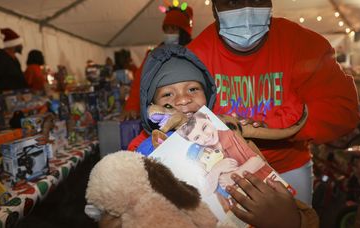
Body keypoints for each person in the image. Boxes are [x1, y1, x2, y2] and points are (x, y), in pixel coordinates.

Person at [186, 0, 360, 205]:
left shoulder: (302, 44)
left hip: (288, 169)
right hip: (226, 170)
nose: (246, 10)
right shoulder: (195, 56)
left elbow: (342, 109)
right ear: (214, 8)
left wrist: (277, 125)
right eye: (231, 1)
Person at [124, 44, 318, 227]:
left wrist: (289, 220)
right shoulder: (141, 151)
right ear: (152, 106)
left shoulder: (232, 136)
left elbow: (265, 180)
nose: (183, 99)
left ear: (208, 96)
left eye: (193, 89)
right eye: (167, 94)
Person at [121, 4, 194, 120]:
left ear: (184, 31)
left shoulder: (195, 51)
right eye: (166, 29)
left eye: (173, 28)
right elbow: (140, 80)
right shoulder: (156, 54)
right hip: (163, 112)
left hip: (191, 109)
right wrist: (131, 106)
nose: (169, 33)